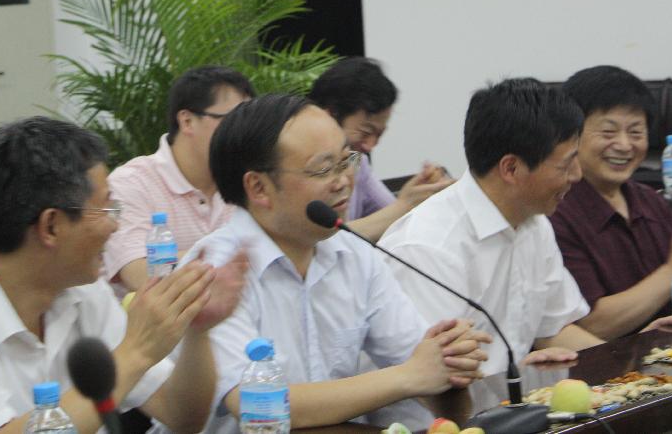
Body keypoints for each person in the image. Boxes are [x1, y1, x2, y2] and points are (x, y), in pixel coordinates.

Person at [0, 116, 246, 433]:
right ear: (51, 226)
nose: (115, 225)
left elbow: (181, 415)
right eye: (106, 209)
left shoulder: (83, 289)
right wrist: (136, 351)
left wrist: (197, 330)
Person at [187, 94, 490, 434]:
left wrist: (450, 364)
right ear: (259, 187)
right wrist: (409, 376)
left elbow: (430, 379)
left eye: (347, 161)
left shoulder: (354, 254)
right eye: (323, 168)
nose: (344, 180)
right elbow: (254, 404)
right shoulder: (216, 269)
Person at [379, 78, 601, 377]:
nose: (577, 175)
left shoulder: (534, 222)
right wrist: (520, 386)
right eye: (565, 165)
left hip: (508, 400)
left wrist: (635, 366)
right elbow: (438, 379)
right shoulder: (427, 248)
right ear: (511, 168)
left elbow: (555, 329)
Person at [550, 66, 672, 339]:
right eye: (608, 132)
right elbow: (593, 323)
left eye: (636, 133)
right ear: (572, 135)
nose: (624, 145)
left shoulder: (654, 202)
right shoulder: (555, 212)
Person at [104, 66, 255, 293]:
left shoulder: (248, 182)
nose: (243, 133)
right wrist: (229, 256)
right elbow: (139, 274)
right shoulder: (129, 183)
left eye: (248, 121)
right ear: (187, 121)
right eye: (233, 120)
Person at [309, 57, 453, 241]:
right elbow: (320, 242)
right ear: (330, 114)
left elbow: (395, 223)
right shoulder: (298, 168)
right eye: (365, 132)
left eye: (379, 135)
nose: (370, 146)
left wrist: (420, 193)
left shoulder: (356, 159)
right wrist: (404, 205)